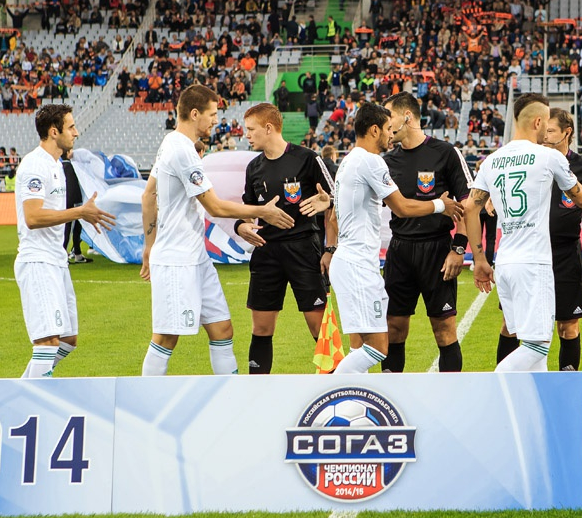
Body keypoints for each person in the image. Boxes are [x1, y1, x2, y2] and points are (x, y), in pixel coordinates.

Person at [140, 85, 296, 376]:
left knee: (222, 329)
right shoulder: (182, 151)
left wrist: (149, 246)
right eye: (212, 114)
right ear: (194, 113)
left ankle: (229, 396)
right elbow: (215, 207)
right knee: (166, 337)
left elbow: (148, 195)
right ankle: (143, 399)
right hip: (177, 260)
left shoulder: (171, 142)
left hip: (195, 257)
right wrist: (263, 211)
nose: (216, 120)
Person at [464, 93, 582, 372]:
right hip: (534, 263)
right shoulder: (548, 157)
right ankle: (496, 383)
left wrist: (479, 259)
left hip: (506, 262)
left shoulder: (492, 160)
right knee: (538, 346)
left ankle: (532, 399)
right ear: (538, 122)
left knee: (527, 341)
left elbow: (470, 208)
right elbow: (579, 195)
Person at [324, 103, 464, 374]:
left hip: (351, 261)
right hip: (358, 265)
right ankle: (332, 389)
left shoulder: (349, 161)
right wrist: (440, 205)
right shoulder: (371, 161)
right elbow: (401, 207)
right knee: (378, 347)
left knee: (360, 347)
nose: (391, 134)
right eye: (387, 129)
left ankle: (351, 395)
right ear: (374, 130)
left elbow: (333, 220)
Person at [14, 104, 116, 377]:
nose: (76, 132)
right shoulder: (35, 165)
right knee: (47, 343)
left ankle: (23, 386)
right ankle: (30, 396)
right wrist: (80, 212)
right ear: (53, 131)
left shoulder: (57, 164)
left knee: (68, 340)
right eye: (71, 127)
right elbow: (32, 217)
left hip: (56, 261)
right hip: (38, 262)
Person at [234, 103, 333, 374]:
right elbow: (246, 211)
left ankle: (336, 388)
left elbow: (336, 198)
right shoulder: (254, 167)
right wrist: (241, 227)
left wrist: (330, 243)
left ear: (269, 128)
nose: (246, 135)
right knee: (261, 328)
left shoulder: (308, 159)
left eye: (251, 129)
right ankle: (257, 389)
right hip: (266, 252)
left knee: (318, 327)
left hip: (303, 250)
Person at [381, 92, 474, 373]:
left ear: (407, 117)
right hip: (400, 250)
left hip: (437, 251)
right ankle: (391, 394)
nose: (386, 123)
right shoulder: (387, 161)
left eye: (390, 116)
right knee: (393, 328)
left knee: (444, 329)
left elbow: (468, 203)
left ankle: (451, 394)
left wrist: (459, 247)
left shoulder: (446, 153)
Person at [61, 150, 92, 263]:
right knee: (70, 228)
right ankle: (63, 254)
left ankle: (77, 253)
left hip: (66, 200)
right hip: (74, 200)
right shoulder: (71, 166)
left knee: (75, 228)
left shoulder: (60, 166)